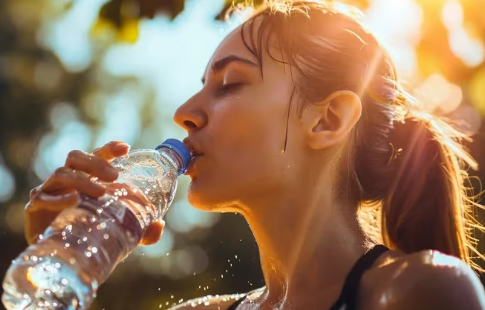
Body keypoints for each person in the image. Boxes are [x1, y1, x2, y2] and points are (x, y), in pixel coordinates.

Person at [24, 1, 485, 309]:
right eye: (200, 86)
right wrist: (57, 273)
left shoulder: (420, 292)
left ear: (327, 121)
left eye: (229, 85)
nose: (184, 113)